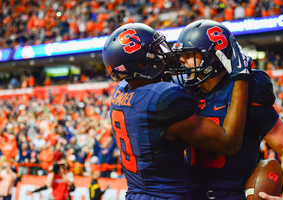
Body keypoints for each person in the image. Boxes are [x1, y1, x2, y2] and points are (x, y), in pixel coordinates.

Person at [102, 22, 251, 199]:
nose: (165, 55)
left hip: (135, 193)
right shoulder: (164, 98)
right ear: (142, 64)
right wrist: (241, 78)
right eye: (157, 50)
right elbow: (229, 143)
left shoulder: (120, 91)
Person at [171, 19, 283, 200]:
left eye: (189, 54)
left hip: (235, 194)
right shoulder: (184, 91)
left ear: (214, 57)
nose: (182, 60)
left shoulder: (248, 89)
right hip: (191, 193)